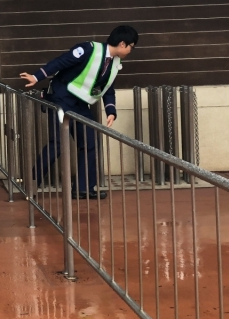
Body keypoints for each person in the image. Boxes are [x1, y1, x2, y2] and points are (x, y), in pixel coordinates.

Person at [19, 25, 139, 200]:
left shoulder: (114, 63)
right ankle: (30, 185)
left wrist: (111, 110)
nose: (130, 50)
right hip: (61, 98)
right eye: (131, 46)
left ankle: (83, 188)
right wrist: (37, 76)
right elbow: (60, 61)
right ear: (122, 44)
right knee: (57, 144)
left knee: (90, 142)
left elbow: (108, 88)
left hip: (80, 104)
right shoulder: (88, 49)